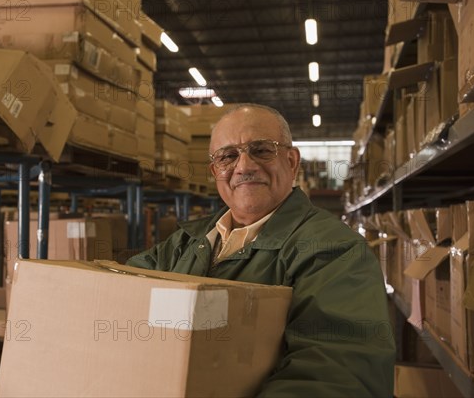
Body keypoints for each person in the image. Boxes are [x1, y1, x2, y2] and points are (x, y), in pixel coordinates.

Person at [127, 104, 395, 397]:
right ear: (215, 170)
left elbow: (337, 377)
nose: (244, 167)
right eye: (228, 156)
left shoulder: (335, 251)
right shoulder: (187, 241)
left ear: (292, 162)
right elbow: (125, 292)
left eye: (262, 150)